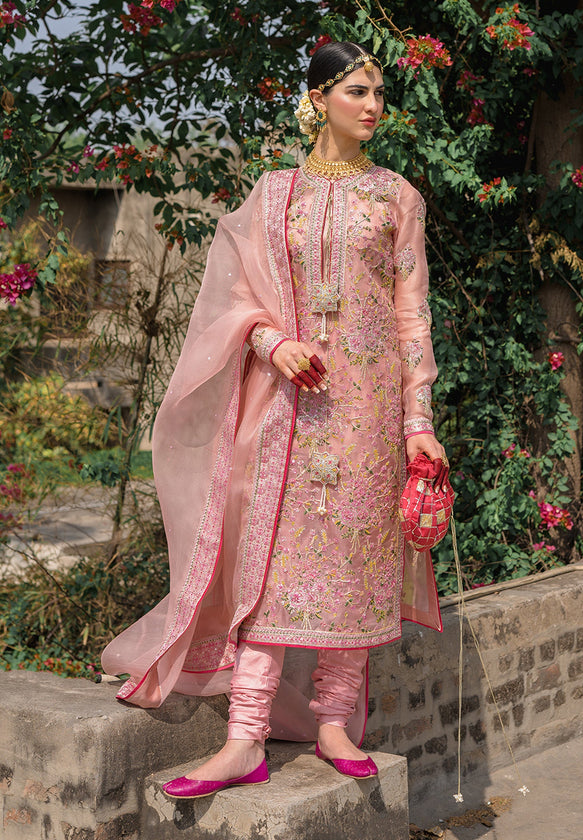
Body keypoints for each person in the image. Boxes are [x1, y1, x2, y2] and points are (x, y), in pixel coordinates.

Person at [101, 40, 448, 799]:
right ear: (317, 99)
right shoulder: (274, 194)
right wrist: (272, 342)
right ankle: (244, 739)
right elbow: (233, 297)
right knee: (268, 568)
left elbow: (411, 315)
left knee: (355, 563)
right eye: (357, 91)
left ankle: (334, 725)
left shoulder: (397, 197)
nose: (374, 106)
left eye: (379, 93)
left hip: (368, 413)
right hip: (288, 409)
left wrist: (417, 419)